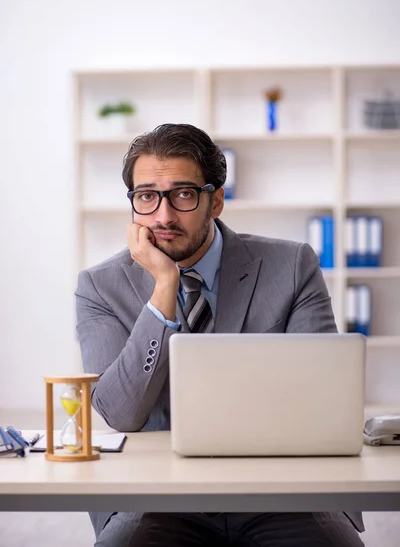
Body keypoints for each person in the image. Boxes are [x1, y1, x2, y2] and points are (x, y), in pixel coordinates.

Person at [75, 123, 364, 547]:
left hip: (282, 490)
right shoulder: (100, 286)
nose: (164, 215)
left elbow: (324, 400)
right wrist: (164, 288)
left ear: (217, 201)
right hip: (155, 495)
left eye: (184, 194)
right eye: (147, 196)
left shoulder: (292, 265)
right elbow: (120, 414)